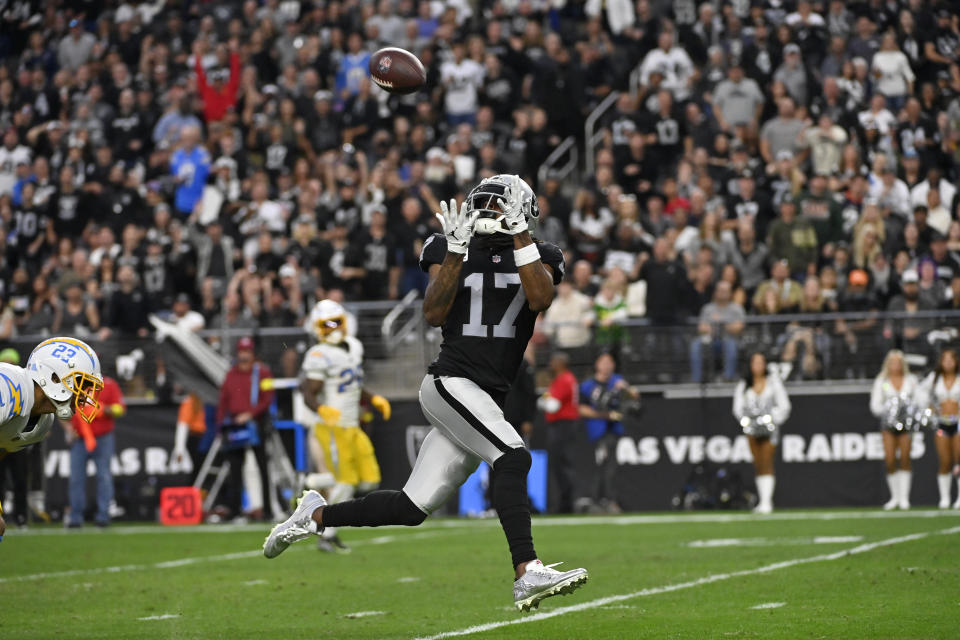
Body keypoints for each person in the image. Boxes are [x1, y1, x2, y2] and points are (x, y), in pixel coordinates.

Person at [264, 174, 588, 612]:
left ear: (523, 211)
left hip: (484, 397)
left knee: (411, 507)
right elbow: (434, 312)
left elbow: (539, 298)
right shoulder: (447, 245)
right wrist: (456, 251)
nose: (491, 213)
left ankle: (315, 516)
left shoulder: (541, 253)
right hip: (450, 382)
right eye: (486, 205)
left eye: (501, 206)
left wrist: (520, 237)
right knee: (512, 455)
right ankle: (526, 570)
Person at [299, 298, 391, 553]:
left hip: (352, 426)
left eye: (335, 322)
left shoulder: (354, 347)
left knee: (370, 480)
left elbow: (353, 383)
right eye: (326, 324)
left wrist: (372, 398)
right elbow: (308, 392)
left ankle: (308, 481)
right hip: (332, 427)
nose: (332, 328)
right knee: (345, 482)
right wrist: (320, 408)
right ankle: (327, 534)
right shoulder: (318, 354)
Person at [0, 337, 104, 539]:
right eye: (82, 383)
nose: (84, 396)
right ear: (54, 377)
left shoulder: (42, 424)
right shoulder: (8, 385)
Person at [216, 337, 274, 522]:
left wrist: (251, 413)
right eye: (242, 351)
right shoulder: (230, 374)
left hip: (255, 424)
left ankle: (267, 509)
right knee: (235, 469)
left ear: (252, 353)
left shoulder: (263, 373)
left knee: (263, 467)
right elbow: (223, 400)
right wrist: (221, 425)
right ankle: (235, 510)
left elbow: (268, 398)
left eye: (247, 351)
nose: (244, 354)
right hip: (234, 425)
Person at [578, 352, 638, 514]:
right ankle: (596, 500)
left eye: (609, 362)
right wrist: (605, 415)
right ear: (597, 365)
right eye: (603, 362)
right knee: (600, 466)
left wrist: (626, 388)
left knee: (611, 467)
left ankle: (607, 500)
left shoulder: (617, 381)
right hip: (595, 430)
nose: (607, 366)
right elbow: (581, 409)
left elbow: (635, 396)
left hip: (613, 430)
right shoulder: (588, 385)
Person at [733, 352, 791, 514]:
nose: (758, 366)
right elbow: (737, 408)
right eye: (755, 362)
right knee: (758, 463)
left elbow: (785, 406)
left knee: (766, 461)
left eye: (761, 362)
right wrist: (747, 422)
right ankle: (763, 501)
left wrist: (773, 419)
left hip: (770, 429)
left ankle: (767, 502)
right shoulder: (744, 384)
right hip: (752, 429)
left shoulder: (773, 383)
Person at [65, 375, 124, 528]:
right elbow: (60, 409)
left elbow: (120, 409)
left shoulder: (109, 384)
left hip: (103, 437)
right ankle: (75, 518)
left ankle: (103, 517)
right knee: (76, 479)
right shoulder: (74, 384)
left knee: (104, 476)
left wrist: (102, 408)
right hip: (80, 438)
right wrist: (68, 429)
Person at [869, 350, 920, 510]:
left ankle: (904, 498)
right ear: (888, 364)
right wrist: (890, 409)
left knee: (905, 458)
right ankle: (895, 497)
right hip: (888, 424)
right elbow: (875, 404)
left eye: (899, 362)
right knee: (890, 460)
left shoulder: (911, 380)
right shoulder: (882, 381)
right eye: (893, 362)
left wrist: (907, 410)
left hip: (906, 424)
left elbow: (919, 400)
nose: (896, 365)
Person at [916, 349, 960, 509]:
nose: (948, 363)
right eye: (945, 360)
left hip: (959, 424)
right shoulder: (934, 379)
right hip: (941, 424)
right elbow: (920, 392)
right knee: (945, 461)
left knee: (959, 459)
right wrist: (928, 408)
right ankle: (945, 498)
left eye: (951, 359)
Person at [539, 352, 579, 513]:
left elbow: (552, 405)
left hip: (563, 425)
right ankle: (565, 502)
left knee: (561, 464)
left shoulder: (564, 379)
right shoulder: (564, 379)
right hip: (563, 425)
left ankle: (566, 503)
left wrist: (542, 401)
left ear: (561, 363)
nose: (551, 364)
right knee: (561, 463)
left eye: (554, 361)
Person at [690, 280, 746, 383]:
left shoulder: (736, 309)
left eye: (726, 291)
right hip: (711, 341)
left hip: (730, 340)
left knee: (730, 345)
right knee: (695, 345)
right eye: (721, 291)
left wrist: (720, 325)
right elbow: (701, 327)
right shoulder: (708, 308)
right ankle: (696, 379)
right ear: (715, 292)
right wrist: (717, 327)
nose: (723, 293)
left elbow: (739, 327)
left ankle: (728, 378)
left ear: (730, 293)